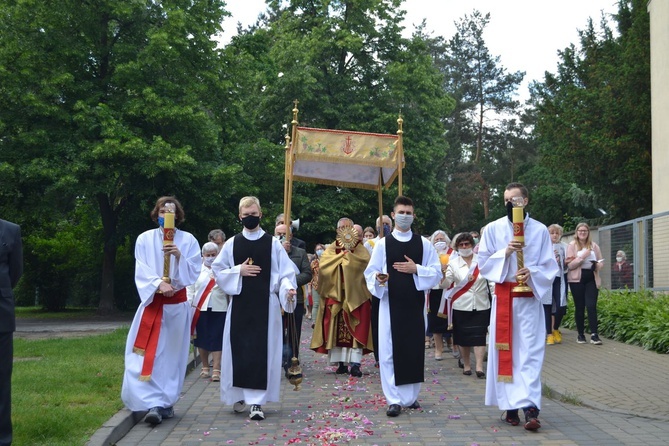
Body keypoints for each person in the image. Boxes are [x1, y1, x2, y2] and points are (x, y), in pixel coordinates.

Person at [477, 183, 559, 431]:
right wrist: (505, 253)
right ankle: (510, 406)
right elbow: (483, 264)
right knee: (507, 355)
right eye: (506, 199)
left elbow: (549, 267)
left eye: (516, 199)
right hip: (504, 299)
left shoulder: (540, 230)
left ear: (526, 200)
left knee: (530, 356)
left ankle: (532, 409)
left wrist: (531, 272)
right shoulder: (493, 229)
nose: (511, 203)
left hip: (530, 300)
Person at [212, 197, 297, 421]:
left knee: (262, 351)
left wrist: (288, 290)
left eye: (254, 213)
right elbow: (218, 270)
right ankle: (239, 395)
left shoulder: (273, 244)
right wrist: (237, 270)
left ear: (260, 214)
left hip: (266, 307)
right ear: (240, 216)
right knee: (239, 349)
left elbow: (285, 274)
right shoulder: (231, 243)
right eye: (246, 213)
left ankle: (257, 403)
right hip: (240, 305)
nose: (250, 217)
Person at [121, 196, 202, 425]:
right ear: (156, 213)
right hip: (152, 304)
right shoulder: (144, 239)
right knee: (149, 355)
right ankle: (151, 402)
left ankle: (166, 401)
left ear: (178, 215)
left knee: (172, 357)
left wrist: (178, 256)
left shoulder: (188, 240)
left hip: (176, 308)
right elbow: (142, 268)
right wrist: (158, 284)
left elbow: (194, 271)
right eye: (163, 209)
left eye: (172, 210)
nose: (167, 213)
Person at [364, 196, 442, 417]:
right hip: (391, 305)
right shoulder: (382, 244)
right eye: (401, 212)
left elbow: (436, 272)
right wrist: (379, 279)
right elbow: (370, 272)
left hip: (415, 306)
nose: (405, 216)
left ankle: (411, 397)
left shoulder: (424, 244)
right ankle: (394, 399)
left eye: (409, 212)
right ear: (393, 214)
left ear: (413, 215)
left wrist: (416, 269)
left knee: (413, 349)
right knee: (389, 351)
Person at [311, 218, 373, 378]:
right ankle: (341, 364)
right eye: (342, 228)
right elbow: (324, 266)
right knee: (337, 332)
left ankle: (356, 364)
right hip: (337, 295)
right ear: (337, 230)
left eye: (348, 228)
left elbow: (365, 266)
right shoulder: (332, 248)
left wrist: (349, 259)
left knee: (357, 328)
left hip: (356, 296)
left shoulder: (361, 250)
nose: (345, 231)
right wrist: (341, 259)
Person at [441, 232, 492, 378]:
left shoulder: (482, 261)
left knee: (480, 336)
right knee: (463, 337)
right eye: (461, 245)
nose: (464, 247)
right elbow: (445, 284)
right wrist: (443, 273)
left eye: (467, 244)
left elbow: (491, 281)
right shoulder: (453, 263)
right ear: (457, 247)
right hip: (461, 305)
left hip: (482, 304)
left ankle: (479, 367)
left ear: (472, 245)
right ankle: (467, 365)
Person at [274, 224, 312, 379]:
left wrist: (290, 283)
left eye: (285, 234)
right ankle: (278, 359)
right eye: (279, 234)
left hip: (295, 298)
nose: (282, 237)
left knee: (293, 331)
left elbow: (307, 273)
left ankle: (292, 362)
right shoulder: (271, 251)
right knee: (276, 331)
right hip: (276, 298)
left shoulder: (300, 252)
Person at [187, 242, 228, 382]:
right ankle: (205, 367)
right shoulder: (196, 270)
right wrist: (188, 307)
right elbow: (190, 290)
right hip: (200, 309)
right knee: (202, 338)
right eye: (208, 255)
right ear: (202, 256)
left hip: (220, 307)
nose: (210, 257)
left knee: (217, 338)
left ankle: (216, 369)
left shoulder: (223, 269)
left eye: (213, 255)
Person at [0, 218, 23, 446]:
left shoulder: (10, 230)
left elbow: (16, 271)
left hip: (1, 315)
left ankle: (2, 438)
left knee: (1, 379)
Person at [566, 222, 604, 345]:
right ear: (576, 233)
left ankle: (594, 334)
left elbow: (600, 261)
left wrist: (598, 264)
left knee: (591, 305)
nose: (582, 233)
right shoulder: (572, 245)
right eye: (580, 231)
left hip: (591, 278)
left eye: (585, 231)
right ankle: (581, 334)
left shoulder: (594, 246)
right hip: (576, 279)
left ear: (588, 233)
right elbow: (570, 265)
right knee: (580, 306)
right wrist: (582, 257)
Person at [426, 230, 451, 360]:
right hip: (435, 290)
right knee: (435, 320)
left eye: (442, 239)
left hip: (450, 290)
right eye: (437, 239)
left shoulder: (454, 254)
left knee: (451, 319)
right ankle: (438, 349)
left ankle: (455, 346)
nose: (439, 241)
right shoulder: (430, 254)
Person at [547, 224, 568, 345]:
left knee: (561, 306)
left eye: (557, 233)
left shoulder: (565, 246)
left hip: (560, 278)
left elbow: (567, 265)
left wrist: (562, 260)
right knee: (547, 305)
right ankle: (549, 333)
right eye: (552, 233)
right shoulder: (544, 246)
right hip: (547, 279)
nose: (554, 235)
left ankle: (556, 329)